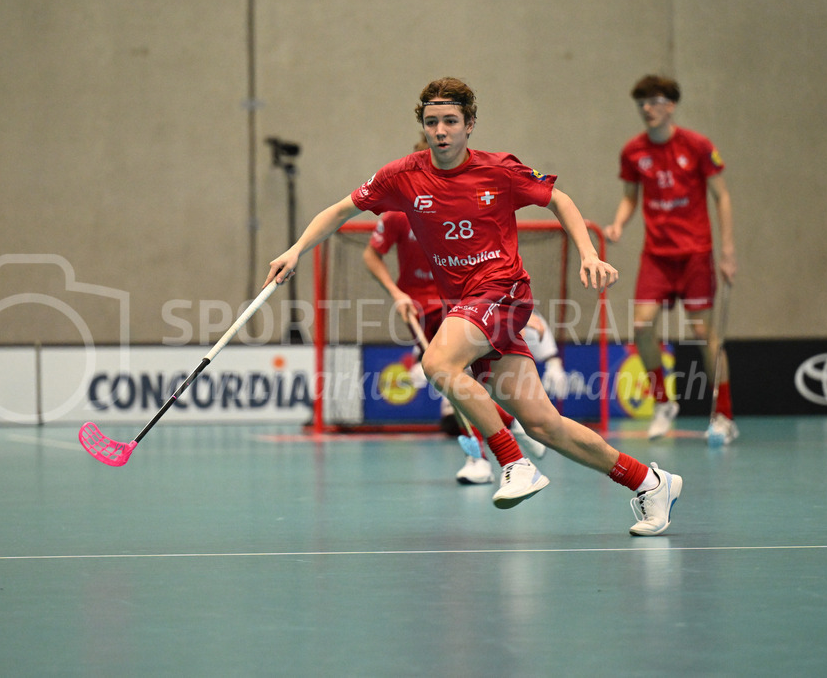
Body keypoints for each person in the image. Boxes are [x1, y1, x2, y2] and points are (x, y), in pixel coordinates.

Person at [267, 77, 682, 536]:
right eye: (431, 122)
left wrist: (588, 253)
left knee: (438, 362)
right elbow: (340, 210)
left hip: (502, 290)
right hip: (466, 304)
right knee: (545, 424)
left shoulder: (500, 170)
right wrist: (295, 250)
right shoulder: (402, 176)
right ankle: (650, 482)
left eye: (450, 121)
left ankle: (512, 461)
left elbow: (558, 199)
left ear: (469, 125)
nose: (440, 130)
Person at [363, 162, 567, 484]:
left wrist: (526, 321)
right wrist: (397, 293)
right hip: (423, 310)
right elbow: (371, 255)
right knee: (450, 377)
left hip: (463, 299)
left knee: (462, 378)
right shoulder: (398, 215)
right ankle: (482, 455)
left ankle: (498, 438)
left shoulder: (459, 204)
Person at [604, 75, 737, 445]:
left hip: (695, 254)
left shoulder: (697, 146)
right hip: (657, 257)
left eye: (655, 101)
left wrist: (727, 250)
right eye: (642, 103)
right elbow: (630, 196)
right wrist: (618, 224)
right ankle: (663, 402)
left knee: (701, 332)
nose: (648, 109)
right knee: (642, 328)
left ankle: (723, 414)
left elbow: (721, 196)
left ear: (671, 105)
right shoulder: (633, 151)